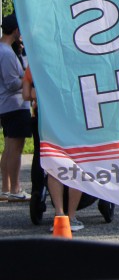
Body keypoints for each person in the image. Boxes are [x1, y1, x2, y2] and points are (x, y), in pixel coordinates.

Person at [22, 64, 84, 230]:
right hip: (73, 117)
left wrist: (39, 94)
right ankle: (72, 216)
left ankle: (59, 214)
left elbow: (26, 94)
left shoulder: (35, 63)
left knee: (53, 166)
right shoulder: (72, 60)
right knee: (75, 164)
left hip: (46, 120)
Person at [0, 14, 31, 202]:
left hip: (7, 105)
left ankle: (6, 188)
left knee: (9, 147)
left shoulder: (4, 50)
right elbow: (12, 83)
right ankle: (15, 188)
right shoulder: (6, 53)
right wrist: (27, 79)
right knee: (15, 148)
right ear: (16, 30)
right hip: (15, 105)